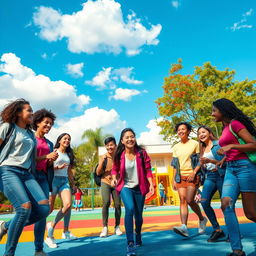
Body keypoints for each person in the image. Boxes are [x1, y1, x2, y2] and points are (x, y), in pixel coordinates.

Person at [0, 99, 50, 256]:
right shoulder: (7, 127)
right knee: (24, 208)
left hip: (26, 174)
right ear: (18, 113)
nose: (32, 113)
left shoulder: (29, 133)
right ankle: (9, 253)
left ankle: (6, 226)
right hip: (8, 170)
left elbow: (32, 158)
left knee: (43, 209)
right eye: (29, 110)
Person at [212, 98, 256, 256]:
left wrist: (232, 146)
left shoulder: (235, 124)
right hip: (231, 169)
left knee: (251, 213)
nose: (212, 114)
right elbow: (232, 150)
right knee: (226, 205)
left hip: (245, 168)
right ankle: (237, 250)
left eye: (214, 111)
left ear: (222, 111)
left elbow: (253, 144)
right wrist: (225, 156)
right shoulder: (224, 127)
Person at [112, 128, 154, 256]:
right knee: (129, 209)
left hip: (139, 187)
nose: (130, 139)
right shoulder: (119, 154)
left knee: (139, 216)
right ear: (122, 141)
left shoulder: (141, 153)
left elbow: (148, 170)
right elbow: (115, 169)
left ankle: (138, 233)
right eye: (127, 137)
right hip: (125, 186)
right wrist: (114, 178)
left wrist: (151, 184)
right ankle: (130, 243)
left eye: (132, 136)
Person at [171, 122, 208, 237]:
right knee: (183, 200)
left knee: (190, 200)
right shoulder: (176, 147)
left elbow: (199, 160)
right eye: (179, 130)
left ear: (188, 131)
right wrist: (173, 179)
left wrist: (194, 172)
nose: (181, 131)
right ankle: (184, 227)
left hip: (193, 175)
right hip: (180, 177)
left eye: (183, 129)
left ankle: (202, 219)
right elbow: (174, 164)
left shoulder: (195, 144)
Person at [33, 109, 58, 256]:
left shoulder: (49, 143)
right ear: (37, 122)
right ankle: (6, 227)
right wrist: (45, 157)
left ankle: (39, 249)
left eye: (51, 124)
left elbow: (47, 165)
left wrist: (50, 160)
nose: (49, 125)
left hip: (42, 177)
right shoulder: (29, 138)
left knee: (43, 212)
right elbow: (27, 159)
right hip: (28, 176)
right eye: (46, 122)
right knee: (25, 211)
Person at [45, 133, 77, 248]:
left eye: (69, 139)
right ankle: (48, 234)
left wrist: (73, 184)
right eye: (65, 138)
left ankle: (54, 228)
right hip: (53, 180)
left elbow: (69, 171)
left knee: (68, 205)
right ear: (59, 140)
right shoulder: (54, 151)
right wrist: (56, 168)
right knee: (50, 208)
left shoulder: (68, 155)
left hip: (64, 181)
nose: (67, 140)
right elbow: (46, 167)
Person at [197, 125, 226, 242]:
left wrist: (210, 161)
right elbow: (204, 165)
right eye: (199, 133)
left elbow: (226, 161)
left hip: (221, 175)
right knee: (204, 202)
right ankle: (217, 229)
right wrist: (204, 165)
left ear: (209, 132)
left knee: (226, 206)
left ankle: (233, 233)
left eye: (203, 132)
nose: (201, 135)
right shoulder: (202, 148)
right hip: (210, 176)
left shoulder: (218, 144)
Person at [96, 136, 122, 237]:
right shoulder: (103, 157)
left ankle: (117, 226)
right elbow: (98, 173)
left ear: (115, 145)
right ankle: (105, 227)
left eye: (111, 145)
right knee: (106, 202)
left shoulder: (119, 156)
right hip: (105, 182)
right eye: (107, 145)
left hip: (116, 182)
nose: (109, 147)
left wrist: (117, 180)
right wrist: (102, 161)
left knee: (118, 205)